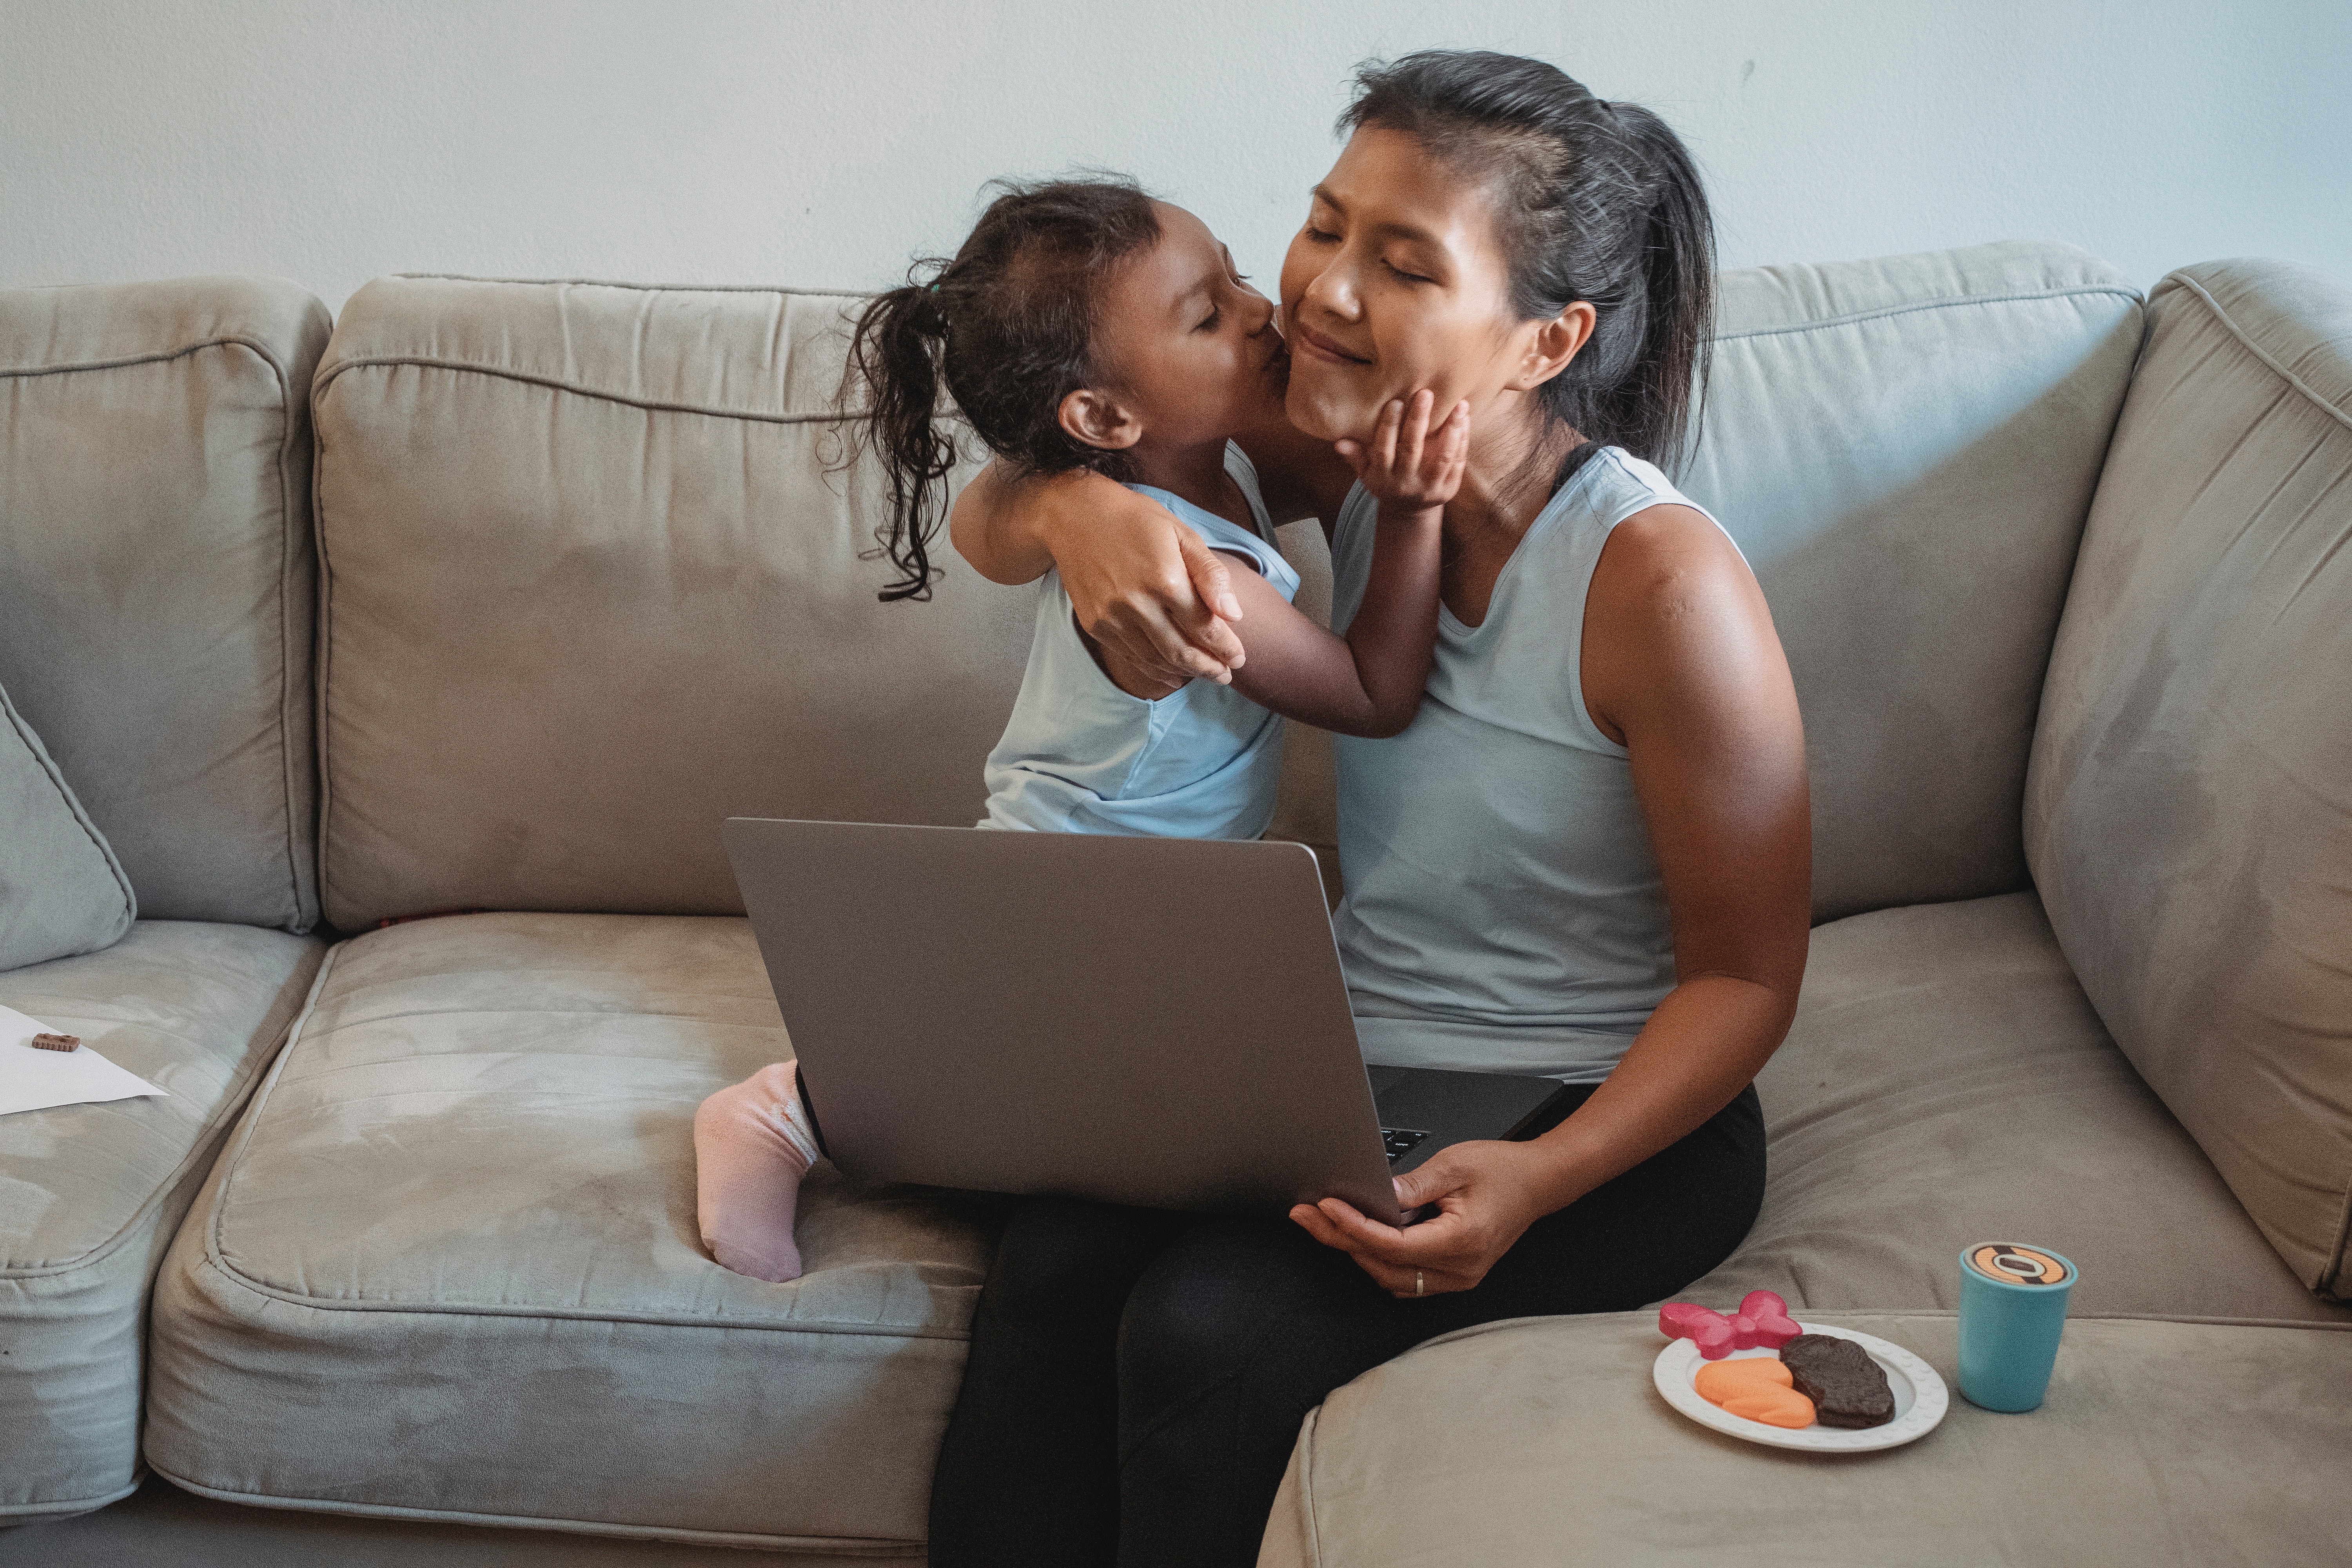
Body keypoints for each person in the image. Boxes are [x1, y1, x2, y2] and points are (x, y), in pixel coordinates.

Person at [932, 52, 1813, 1567]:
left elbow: (1747, 979)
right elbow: (1002, 492)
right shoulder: (1330, 448)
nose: (1322, 292)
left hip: (1593, 1114)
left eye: (1403, 262)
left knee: (1206, 1329)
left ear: (1546, 342)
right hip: (1350, 1068)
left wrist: (1538, 1180)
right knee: (1058, 1260)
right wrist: (1076, 508)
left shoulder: (1662, 585)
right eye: (1326, 224)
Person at [695, 176, 1470, 1284]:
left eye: (1238, 277)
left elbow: (1002, 505)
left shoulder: (1223, 467)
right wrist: (1413, 511)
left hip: (1132, 890)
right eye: (1208, 314)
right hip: (1070, 889)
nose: (1260, 311)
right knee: (982, 1073)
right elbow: (1371, 695)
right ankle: (777, 1113)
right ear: (1105, 420)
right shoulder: (1182, 570)